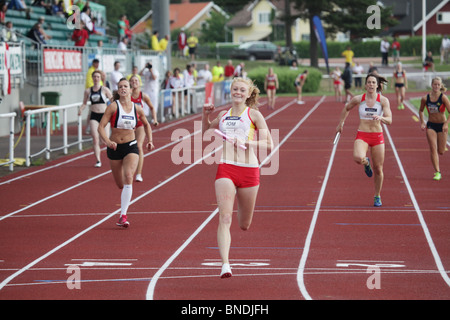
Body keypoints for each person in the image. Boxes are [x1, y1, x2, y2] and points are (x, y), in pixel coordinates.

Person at [202, 77, 274, 278]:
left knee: (244, 224)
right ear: (230, 91)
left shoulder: (254, 115)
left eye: (242, 90)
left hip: (249, 170)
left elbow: (270, 144)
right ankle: (225, 264)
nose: (238, 93)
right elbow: (205, 132)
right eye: (235, 89)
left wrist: (247, 143)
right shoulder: (223, 115)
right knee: (225, 217)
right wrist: (205, 115)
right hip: (226, 168)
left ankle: (229, 256)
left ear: (249, 93)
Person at [97, 78, 155, 228]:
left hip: (131, 146)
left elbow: (147, 124)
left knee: (129, 176)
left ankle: (123, 216)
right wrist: (108, 142)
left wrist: (150, 140)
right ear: (118, 90)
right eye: (120, 87)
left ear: (130, 90)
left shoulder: (137, 108)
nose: (123, 89)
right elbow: (101, 127)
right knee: (120, 184)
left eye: (126, 86)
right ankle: (125, 196)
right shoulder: (113, 107)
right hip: (115, 148)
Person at [336, 73, 392, 207]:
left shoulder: (383, 100)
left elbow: (390, 120)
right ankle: (366, 162)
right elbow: (346, 108)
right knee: (357, 158)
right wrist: (341, 123)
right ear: (365, 85)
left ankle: (377, 195)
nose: (371, 85)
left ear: (378, 85)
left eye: (374, 82)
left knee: (378, 169)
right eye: (369, 82)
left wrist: (381, 118)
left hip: (377, 136)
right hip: (362, 135)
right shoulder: (358, 99)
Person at [78, 70, 113, 167]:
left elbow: (112, 100)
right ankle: (98, 160)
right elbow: (84, 103)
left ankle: (113, 155)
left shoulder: (105, 90)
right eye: (95, 77)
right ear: (92, 78)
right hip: (94, 116)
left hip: (104, 116)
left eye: (98, 77)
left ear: (100, 78)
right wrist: (81, 109)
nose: (96, 78)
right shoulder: (88, 91)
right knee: (95, 139)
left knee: (105, 140)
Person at [419, 77, 450, 181]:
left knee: (441, 151)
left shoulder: (443, 98)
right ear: (431, 85)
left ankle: (438, 157)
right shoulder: (425, 98)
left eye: (438, 85)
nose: (436, 86)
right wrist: (422, 121)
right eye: (434, 84)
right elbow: (421, 110)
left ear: (440, 86)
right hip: (431, 125)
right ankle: (437, 172)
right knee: (433, 148)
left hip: (442, 126)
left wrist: (446, 124)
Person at [129, 75, 158, 182]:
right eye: (132, 81)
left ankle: (138, 174)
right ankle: (129, 170)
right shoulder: (127, 95)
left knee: (139, 146)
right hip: (129, 124)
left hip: (140, 122)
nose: (134, 82)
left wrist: (154, 119)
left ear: (139, 82)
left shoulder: (143, 96)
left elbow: (151, 107)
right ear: (130, 83)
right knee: (128, 148)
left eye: (136, 80)